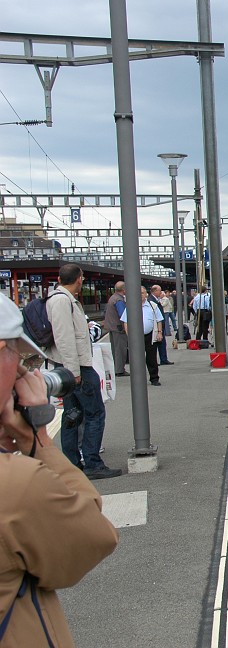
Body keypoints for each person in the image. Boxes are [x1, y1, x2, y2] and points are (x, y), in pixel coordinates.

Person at [0, 292, 119, 646]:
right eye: (16, 357)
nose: (24, 371)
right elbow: (93, 537)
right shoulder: (15, 487)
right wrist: (38, 441)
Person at [45, 264, 122, 480]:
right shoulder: (62, 301)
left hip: (72, 367)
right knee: (94, 413)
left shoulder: (63, 299)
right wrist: (73, 372)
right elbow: (65, 339)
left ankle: (73, 464)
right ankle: (92, 463)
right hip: (75, 368)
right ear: (79, 279)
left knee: (73, 414)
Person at [123, 287, 163, 386]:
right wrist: (129, 335)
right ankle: (138, 380)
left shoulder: (152, 306)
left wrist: (159, 332)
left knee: (151, 358)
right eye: (138, 293)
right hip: (136, 337)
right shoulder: (130, 306)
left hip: (150, 335)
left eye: (142, 293)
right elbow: (125, 322)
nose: (140, 295)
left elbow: (159, 320)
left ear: (146, 294)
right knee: (136, 359)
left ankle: (154, 378)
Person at [102, 281, 128, 377]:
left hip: (111, 327)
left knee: (114, 349)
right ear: (124, 289)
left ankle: (116, 368)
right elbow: (123, 315)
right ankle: (120, 370)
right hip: (118, 328)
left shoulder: (112, 297)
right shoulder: (119, 300)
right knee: (120, 349)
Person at [150, 285, 174, 365]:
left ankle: (163, 359)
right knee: (158, 343)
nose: (161, 292)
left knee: (161, 343)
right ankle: (161, 359)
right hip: (157, 325)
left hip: (159, 324)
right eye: (160, 291)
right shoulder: (151, 300)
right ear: (155, 291)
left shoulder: (156, 299)